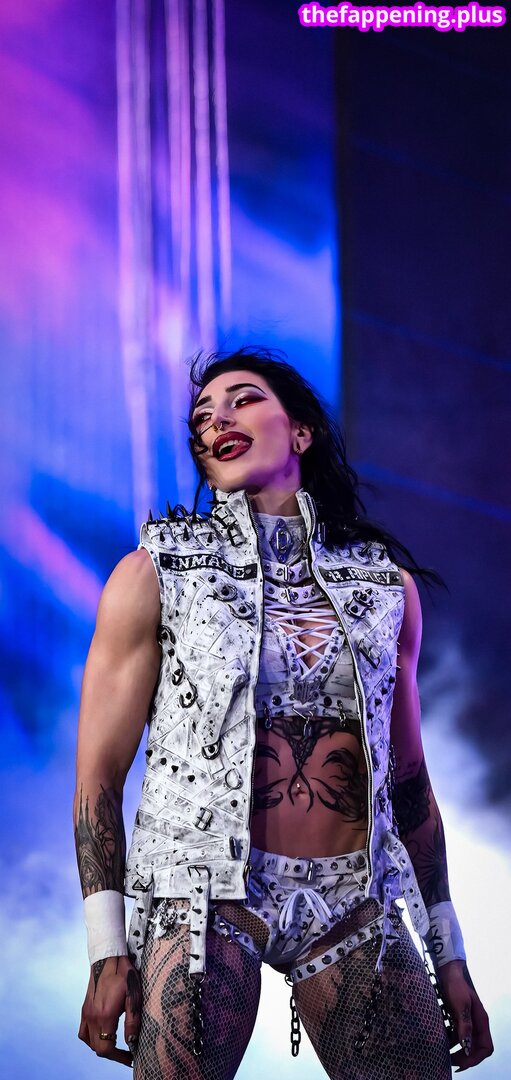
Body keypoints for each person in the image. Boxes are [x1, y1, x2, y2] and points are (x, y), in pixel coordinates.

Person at [74, 347, 493, 1079]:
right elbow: (98, 780)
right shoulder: (154, 573)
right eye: (202, 418)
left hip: (354, 902)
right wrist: (108, 950)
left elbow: (408, 783)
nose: (216, 421)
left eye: (242, 400)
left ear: (301, 432)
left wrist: (448, 953)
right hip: (202, 896)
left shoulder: (384, 588)